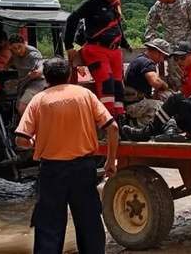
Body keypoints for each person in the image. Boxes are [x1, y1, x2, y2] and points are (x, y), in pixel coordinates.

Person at [15, 58, 118, 254]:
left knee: (48, 228)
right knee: (89, 224)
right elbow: (112, 128)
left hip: (52, 171)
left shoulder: (38, 100)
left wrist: (33, 143)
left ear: (46, 78)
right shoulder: (85, 94)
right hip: (84, 169)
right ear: (69, 75)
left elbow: (21, 139)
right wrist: (111, 161)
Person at [121, 41, 191, 142]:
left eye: (182, 57)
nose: (179, 61)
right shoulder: (187, 71)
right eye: (176, 58)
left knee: (174, 100)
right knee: (170, 113)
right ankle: (170, 133)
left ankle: (146, 132)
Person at [64, 0, 132, 117]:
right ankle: (107, 120)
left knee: (118, 85)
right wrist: (68, 45)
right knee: (107, 84)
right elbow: (72, 18)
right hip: (96, 49)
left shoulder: (116, 3)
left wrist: (124, 43)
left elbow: (117, 24)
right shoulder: (92, 1)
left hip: (115, 51)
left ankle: (120, 119)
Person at [145, 0, 191, 91]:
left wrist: (187, 47)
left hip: (190, 47)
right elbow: (150, 25)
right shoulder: (158, 6)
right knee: (177, 81)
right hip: (171, 49)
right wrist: (154, 44)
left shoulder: (187, 3)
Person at [122, 38, 172, 127]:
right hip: (135, 106)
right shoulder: (147, 62)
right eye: (163, 57)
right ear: (157, 52)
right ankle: (134, 125)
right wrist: (164, 85)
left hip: (132, 105)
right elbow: (155, 82)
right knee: (164, 110)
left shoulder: (139, 59)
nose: (161, 61)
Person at [6, 34, 46, 116]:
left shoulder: (33, 54)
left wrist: (37, 72)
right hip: (23, 83)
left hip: (36, 82)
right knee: (18, 106)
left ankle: (29, 128)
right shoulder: (13, 51)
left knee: (22, 107)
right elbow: (12, 58)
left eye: (20, 47)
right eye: (14, 48)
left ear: (25, 43)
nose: (18, 51)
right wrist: (3, 67)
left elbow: (41, 67)